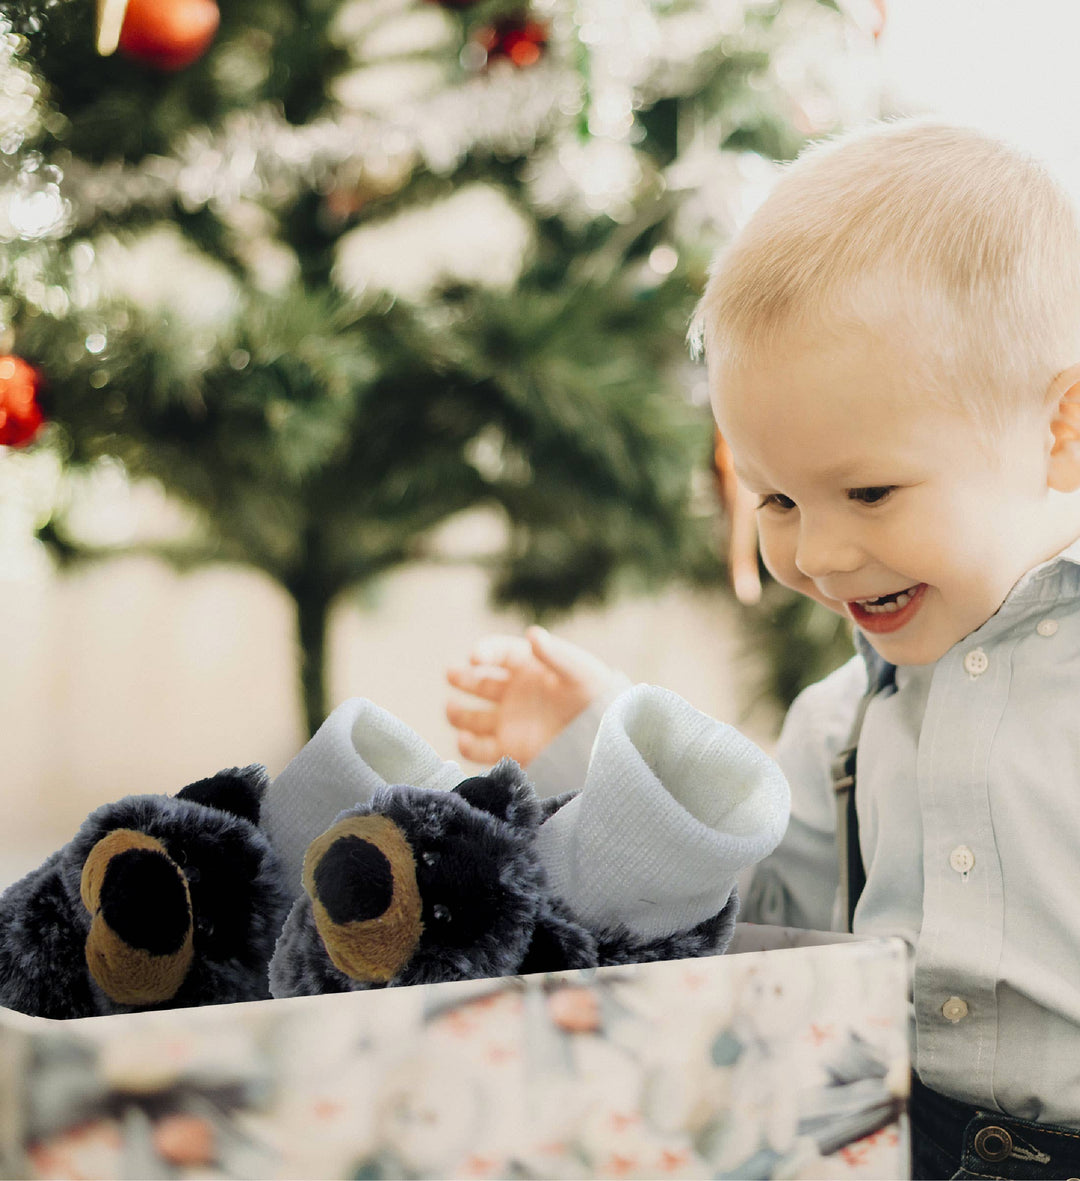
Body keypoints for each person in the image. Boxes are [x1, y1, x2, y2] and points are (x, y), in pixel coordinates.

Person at [446, 119, 1080, 1180]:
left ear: (1061, 430)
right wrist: (617, 748)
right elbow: (747, 908)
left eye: (869, 490)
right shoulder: (842, 720)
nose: (819, 554)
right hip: (896, 1140)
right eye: (775, 497)